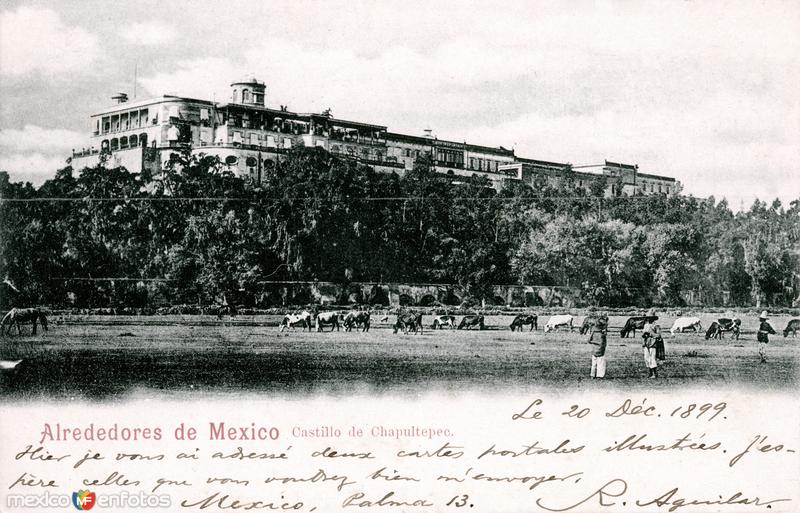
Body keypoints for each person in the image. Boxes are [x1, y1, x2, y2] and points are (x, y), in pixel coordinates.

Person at [588, 313, 608, 379]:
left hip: (594, 349)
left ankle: (592, 375)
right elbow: (604, 343)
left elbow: (589, 340)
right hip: (600, 349)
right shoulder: (602, 334)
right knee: (601, 362)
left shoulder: (593, 332)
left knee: (594, 362)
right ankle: (600, 375)